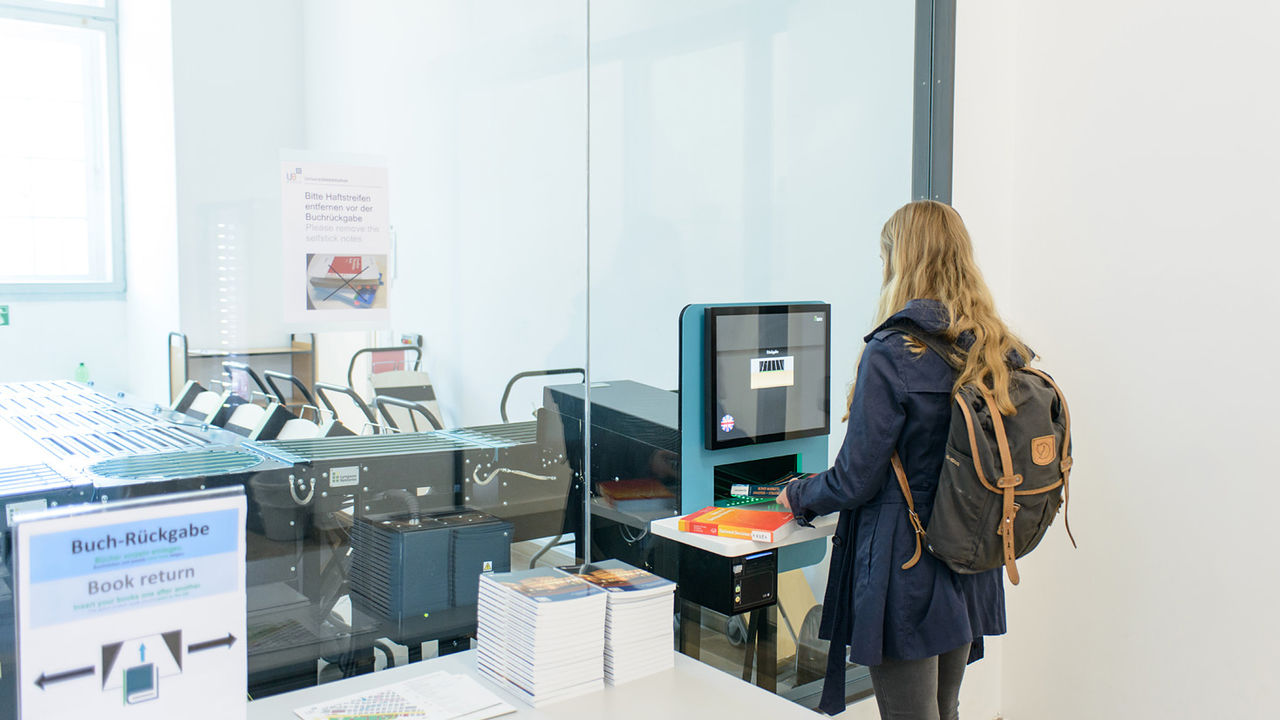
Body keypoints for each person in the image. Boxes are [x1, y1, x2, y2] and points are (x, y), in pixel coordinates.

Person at [777, 200, 1028, 719]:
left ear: (902, 262)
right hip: (966, 555)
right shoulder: (990, 347)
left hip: (906, 566)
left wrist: (798, 492)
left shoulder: (894, 351)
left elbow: (854, 480)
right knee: (944, 709)